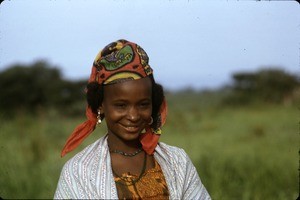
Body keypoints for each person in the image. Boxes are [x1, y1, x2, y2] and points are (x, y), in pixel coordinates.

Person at [54, 39, 211, 199]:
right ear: (101, 105)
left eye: (143, 104)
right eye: (121, 105)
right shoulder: (79, 171)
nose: (134, 116)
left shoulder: (177, 162)